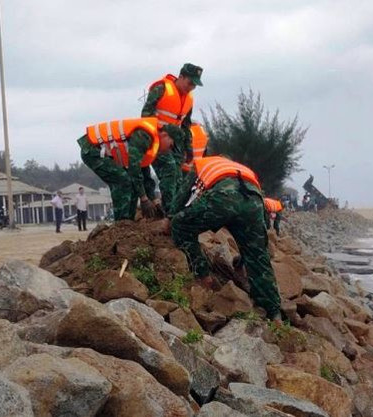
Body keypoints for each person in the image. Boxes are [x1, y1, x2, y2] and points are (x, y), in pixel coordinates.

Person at [165, 156, 282, 320]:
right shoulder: (242, 168)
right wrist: (248, 254)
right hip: (253, 202)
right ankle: (273, 312)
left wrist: (171, 217)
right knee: (257, 257)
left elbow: (182, 196)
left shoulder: (201, 164)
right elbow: (260, 217)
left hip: (224, 198)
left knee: (180, 225)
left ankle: (203, 276)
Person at [77, 118, 174, 220]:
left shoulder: (151, 145)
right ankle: (121, 223)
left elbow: (145, 174)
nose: (169, 151)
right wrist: (144, 198)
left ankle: (129, 222)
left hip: (101, 151)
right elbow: (134, 168)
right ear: (165, 135)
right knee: (123, 180)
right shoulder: (144, 135)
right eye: (171, 146)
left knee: (132, 183)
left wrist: (153, 200)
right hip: (93, 149)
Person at [141, 63, 203, 214]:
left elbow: (185, 125)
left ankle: (175, 210)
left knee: (179, 177)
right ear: (181, 77)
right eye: (190, 83)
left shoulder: (189, 99)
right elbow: (145, 116)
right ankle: (170, 212)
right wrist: (163, 131)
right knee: (169, 171)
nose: (191, 87)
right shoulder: (161, 89)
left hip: (174, 144)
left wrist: (188, 148)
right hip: (155, 140)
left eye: (195, 85)